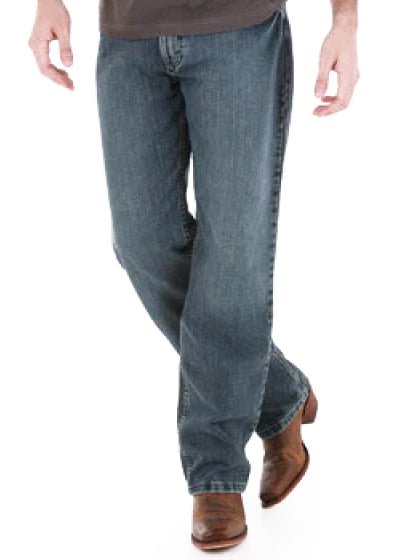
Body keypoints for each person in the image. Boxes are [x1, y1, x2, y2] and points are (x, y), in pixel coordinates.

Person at [28, 0, 359, 551]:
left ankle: (216, 475)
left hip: (239, 32)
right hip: (129, 34)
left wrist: (344, 23)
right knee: (142, 242)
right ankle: (280, 396)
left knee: (234, 255)